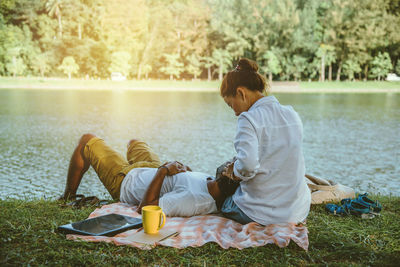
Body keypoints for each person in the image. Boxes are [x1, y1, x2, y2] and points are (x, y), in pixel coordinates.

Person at [219, 58, 311, 225]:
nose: (234, 112)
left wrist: (232, 173)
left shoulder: (248, 118)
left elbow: (248, 167)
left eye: (231, 105)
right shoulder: (291, 113)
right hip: (297, 210)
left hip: (264, 214)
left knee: (223, 195)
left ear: (241, 93)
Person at [59, 134, 239, 217]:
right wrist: (183, 169)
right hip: (150, 168)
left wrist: (163, 172)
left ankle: (68, 195)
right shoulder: (211, 182)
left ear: (227, 177)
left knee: (87, 141)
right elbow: (186, 182)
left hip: (125, 181)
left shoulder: (194, 200)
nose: (231, 161)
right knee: (134, 142)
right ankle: (130, 156)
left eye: (232, 166)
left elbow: (146, 208)